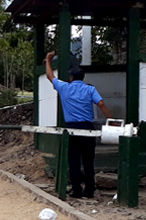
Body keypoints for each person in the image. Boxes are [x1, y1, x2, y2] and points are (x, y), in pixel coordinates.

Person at [45, 51, 113, 198]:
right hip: (88, 128)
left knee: (74, 160)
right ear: (83, 78)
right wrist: (110, 119)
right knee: (89, 161)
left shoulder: (64, 87)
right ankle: (89, 191)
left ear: (71, 78)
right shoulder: (90, 89)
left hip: (72, 129)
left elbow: (50, 76)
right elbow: (100, 103)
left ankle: (76, 190)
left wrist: (48, 61)